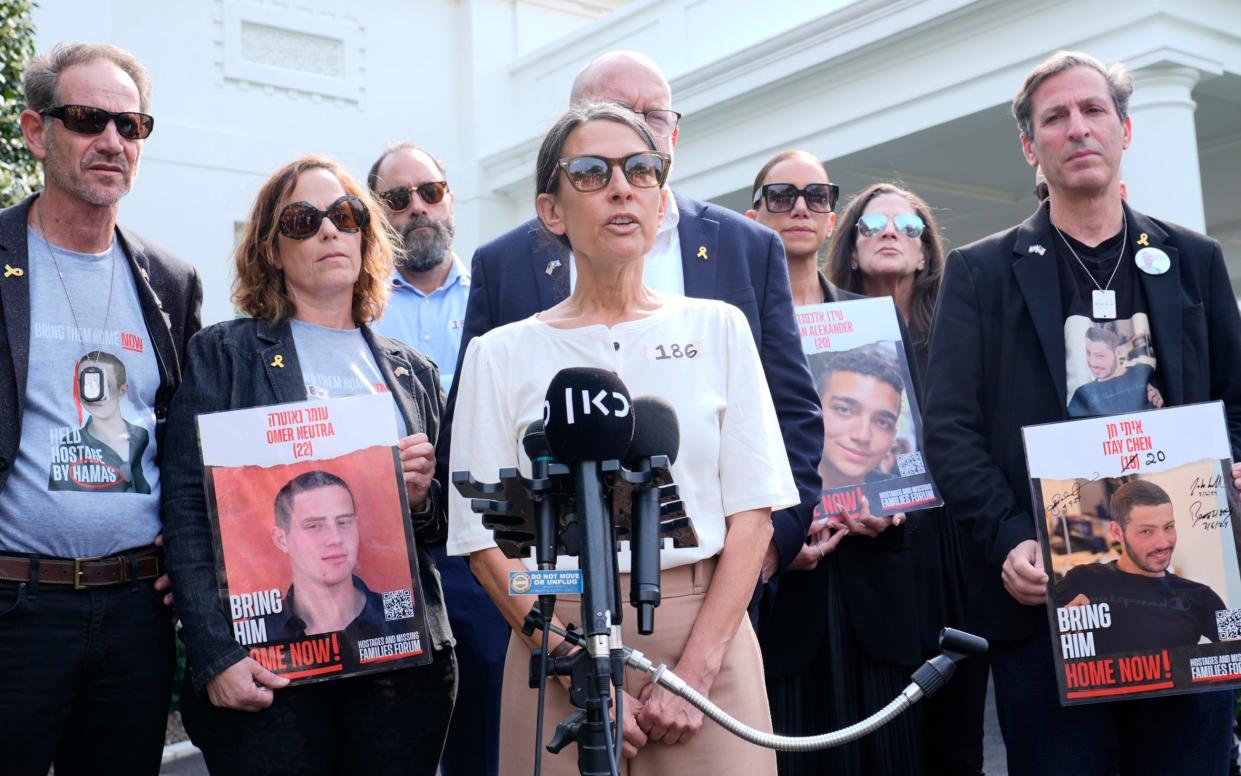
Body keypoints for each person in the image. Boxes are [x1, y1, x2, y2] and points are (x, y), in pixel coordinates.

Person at [448, 102, 796, 775]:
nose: (620, 186)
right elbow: (482, 543)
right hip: (553, 625)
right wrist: (574, 668)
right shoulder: (499, 354)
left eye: (640, 170)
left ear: (660, 200)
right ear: (551, 211)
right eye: (590, 172)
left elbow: (753, 513)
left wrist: (694, 670)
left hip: (704, 632)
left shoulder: (718, 329)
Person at [923, 50, 1241, 776]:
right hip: (1048, 602)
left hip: (1186, 587)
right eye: (1055, 118)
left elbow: (1235, 398)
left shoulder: (1191, 259)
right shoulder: (980, 272)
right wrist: (1006, 539)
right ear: (1030, 147)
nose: (1077, 129)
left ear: (1124, 128)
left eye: (1093, 111)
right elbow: (949, 429)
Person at [441, 51, 823, 594]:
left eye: (655, 116)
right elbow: (479, 467)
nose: (639, 128)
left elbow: (791, 413)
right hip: (557, 602)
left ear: (673, 137)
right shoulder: (504, 267)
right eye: (618, 111)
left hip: (718, 588)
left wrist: (765, 553)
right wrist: (551, 630)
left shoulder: (746, 254)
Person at [161, 155, 455, 776]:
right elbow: (188, 508)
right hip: (273, 677)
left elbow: (439, 532)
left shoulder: (413, 372)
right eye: (303, 219)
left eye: (345, 216)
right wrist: (214, 655)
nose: (329, 230)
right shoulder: (225, 354)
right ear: (271, 247)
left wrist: (423, 497)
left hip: (397, 674)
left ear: (364, 236)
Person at [0, 42, 201, 775]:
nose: (112, 141)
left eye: (131, 125)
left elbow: (185, 437)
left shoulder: (171, 282)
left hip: (135, 613)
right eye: (88, 120)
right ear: (35, 130)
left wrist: (191, 556)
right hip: (16, 607)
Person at [367, 140, 509, 776]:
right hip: (386, 545)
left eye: (430, 192)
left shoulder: (502, 298)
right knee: (394, 726)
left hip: (490, 541)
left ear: (451, 197)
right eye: (397, 199)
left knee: (490, 716)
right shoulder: (355, 309)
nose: (417, 208)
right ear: (376, 211)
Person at [1055, 479, 1225, 654]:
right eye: (1146, 531)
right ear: (1117, 532)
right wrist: (1059, 628)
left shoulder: (1203, 597)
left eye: (1169, 527)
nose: (1162, 543)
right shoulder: (1081, 581)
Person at [264, 470, 400, 644]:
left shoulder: (402, 612)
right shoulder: (260, 632)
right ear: (282, 540)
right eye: (314, 526)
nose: (335, 539)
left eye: (343, 522)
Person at [49, 350, 152, 493]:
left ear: (122, 390)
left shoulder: (142, 435)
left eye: (103, 384)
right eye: (86, 384)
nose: (93, 394)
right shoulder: (70, 444)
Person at [1067, 324, 1161, 415]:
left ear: (1118, 352)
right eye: (1088, 353)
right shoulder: (1082, 393)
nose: (1092, 362)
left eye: (1100, 356)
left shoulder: (1144, 372)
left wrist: (1162, 399)